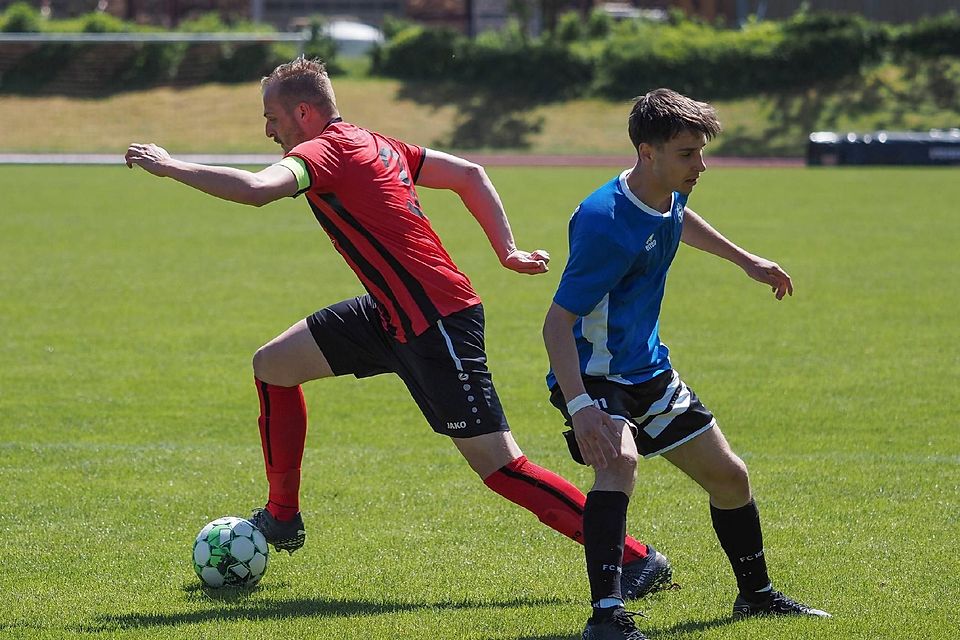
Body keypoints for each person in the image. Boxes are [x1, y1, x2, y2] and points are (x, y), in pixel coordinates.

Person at [124, 57, 673, 599]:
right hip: (388, 313)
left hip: (437, 322)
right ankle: (282, 516)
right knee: (272, 366)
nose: (268, 129)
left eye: (273, 117)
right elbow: (467, 174)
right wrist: (505, 250)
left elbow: (256, 189)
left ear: (305, 112)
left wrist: (170, 166)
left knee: (502, 467)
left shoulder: (322, 151)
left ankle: (635, 558)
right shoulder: (375, 141)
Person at [541, 88, 831, 640]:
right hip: (596, 376)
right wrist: (580, 407)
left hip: (649, 370)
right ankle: (606, 616)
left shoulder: (665, 192)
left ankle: (757, 596)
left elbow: (679, 218)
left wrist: (746, 260)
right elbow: (556, 324)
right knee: (619, 464)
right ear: (646, 153)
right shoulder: (606, 223)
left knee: (731, 478)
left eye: (701, 151)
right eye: (687, 154)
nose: (700, 165)